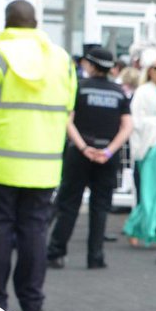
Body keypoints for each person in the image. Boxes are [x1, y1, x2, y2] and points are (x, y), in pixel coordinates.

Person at [0, 0, 76, 311]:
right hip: (44, 166)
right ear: (36, 23)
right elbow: (68, 107)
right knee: (34, 232)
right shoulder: (62, 60)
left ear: (7, 23)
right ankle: (32, 301)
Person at [48, 45, 131, 273]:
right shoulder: (119, 92)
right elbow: (127, 127)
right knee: (100, 206)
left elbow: (68, 120)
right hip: (107, 155)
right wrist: (108, 151)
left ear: (91, 65)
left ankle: (56, 253)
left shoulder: (79, 88)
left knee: (69, 204)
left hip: (79, 154)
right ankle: (95, 257)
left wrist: (84, 147)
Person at [124, 55, 156, 247]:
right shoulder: (143, 92)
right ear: (149, 71)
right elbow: (136, 120)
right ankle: (145, 229)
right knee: (150, 190)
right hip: (151, 144)